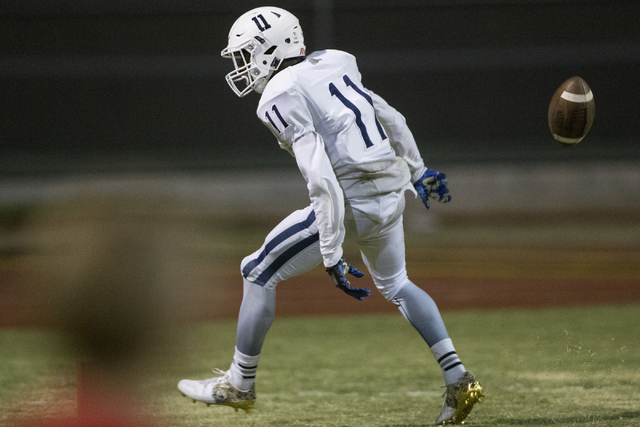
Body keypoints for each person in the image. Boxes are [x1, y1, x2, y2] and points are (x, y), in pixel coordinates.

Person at [177, 6, 483, 425]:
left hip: (352, 197)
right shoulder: (336, 61)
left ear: (272, 48)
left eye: (248, 54)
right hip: (391, 192)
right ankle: (458, 377)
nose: (244, 66)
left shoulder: (279, 92)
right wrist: (419, 169)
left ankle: (239, 384)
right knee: (397, 285)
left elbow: (320, 174)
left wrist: (331, 247)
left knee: (257, 271)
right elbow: (391, 116)